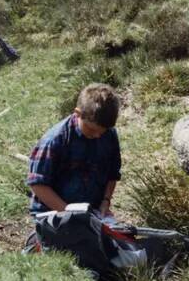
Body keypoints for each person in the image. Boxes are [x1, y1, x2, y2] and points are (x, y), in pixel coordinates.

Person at [26, 83, 122, 219]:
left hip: (92, 212)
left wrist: (105, 202)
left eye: (102, 132)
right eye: (92, 130)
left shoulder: (109, 135)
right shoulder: (55, 140)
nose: (97, 136)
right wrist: (69, 214)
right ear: (78, 113)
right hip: (54, 215)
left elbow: (113, 173)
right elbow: (37, 184)